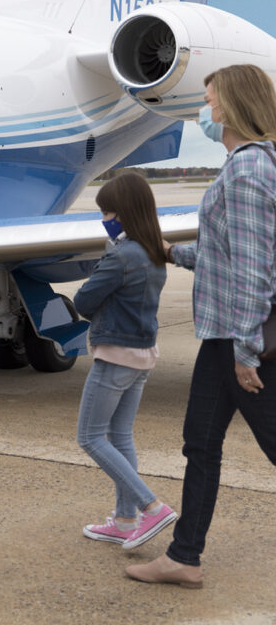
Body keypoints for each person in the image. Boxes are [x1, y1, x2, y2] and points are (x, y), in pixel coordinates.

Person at [127, 64, 276, 589]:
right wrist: (173, 252)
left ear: (232, 107)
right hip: (225, 338)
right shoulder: (246, 166)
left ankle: (184, 554)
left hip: (239, 340)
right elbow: (226, 253)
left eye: (209, 102)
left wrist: (247, 350)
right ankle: (183, 556)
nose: (204, 113)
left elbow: (256, 269)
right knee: (200, 443)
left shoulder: (250, 172)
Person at [73, 173, 176, 551]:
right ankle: (126, 519)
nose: (105, 217)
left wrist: (107, 258)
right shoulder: (152, 251)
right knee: (120, 436)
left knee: (89, 437)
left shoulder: (120, 255)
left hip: (114, 356)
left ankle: (151, 507)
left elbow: (83, 302)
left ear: (124, 212)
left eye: (108, 210)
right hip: (142, 357)